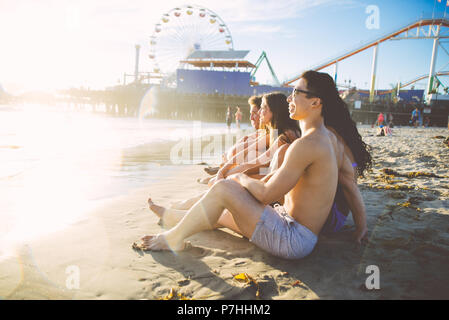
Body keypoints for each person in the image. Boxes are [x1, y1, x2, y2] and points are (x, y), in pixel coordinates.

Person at [136, 71, 370, 259]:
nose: (289, 98)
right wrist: (362, 227)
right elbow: (347, 180)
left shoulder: (308, 144)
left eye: (296, 92)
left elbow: (267, 194)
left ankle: (172, 238)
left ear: (315, 102)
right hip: (289, 223)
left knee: (223, 190)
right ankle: (172, 218)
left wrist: (239, 179)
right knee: (223, 209)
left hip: (294, 239)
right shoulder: (329, 139)